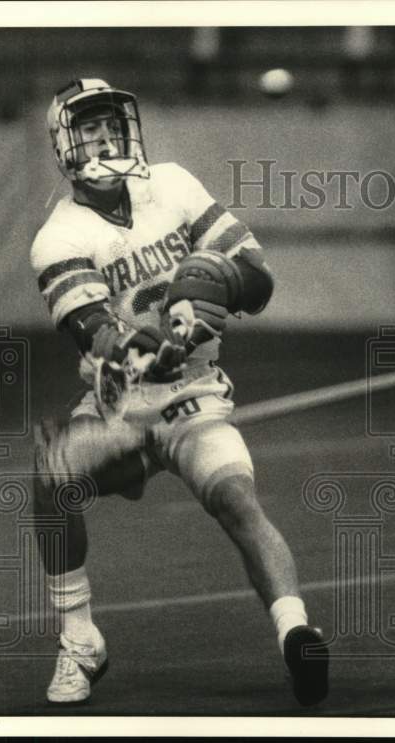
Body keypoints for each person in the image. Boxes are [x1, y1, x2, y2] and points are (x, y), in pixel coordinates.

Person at [30, 78, 328, 707]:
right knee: (51, 480)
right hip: (123, 405)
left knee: (237, 502)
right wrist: (154, 339)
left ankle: (297, 633)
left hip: (195, 393)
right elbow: (96, 334)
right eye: (90, 128)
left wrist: (214, 286)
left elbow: (257, 279)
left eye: (113, 123)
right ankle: (81, 641)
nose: (107, 136)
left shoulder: (173, 183)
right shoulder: (56, 238)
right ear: (65, 143)